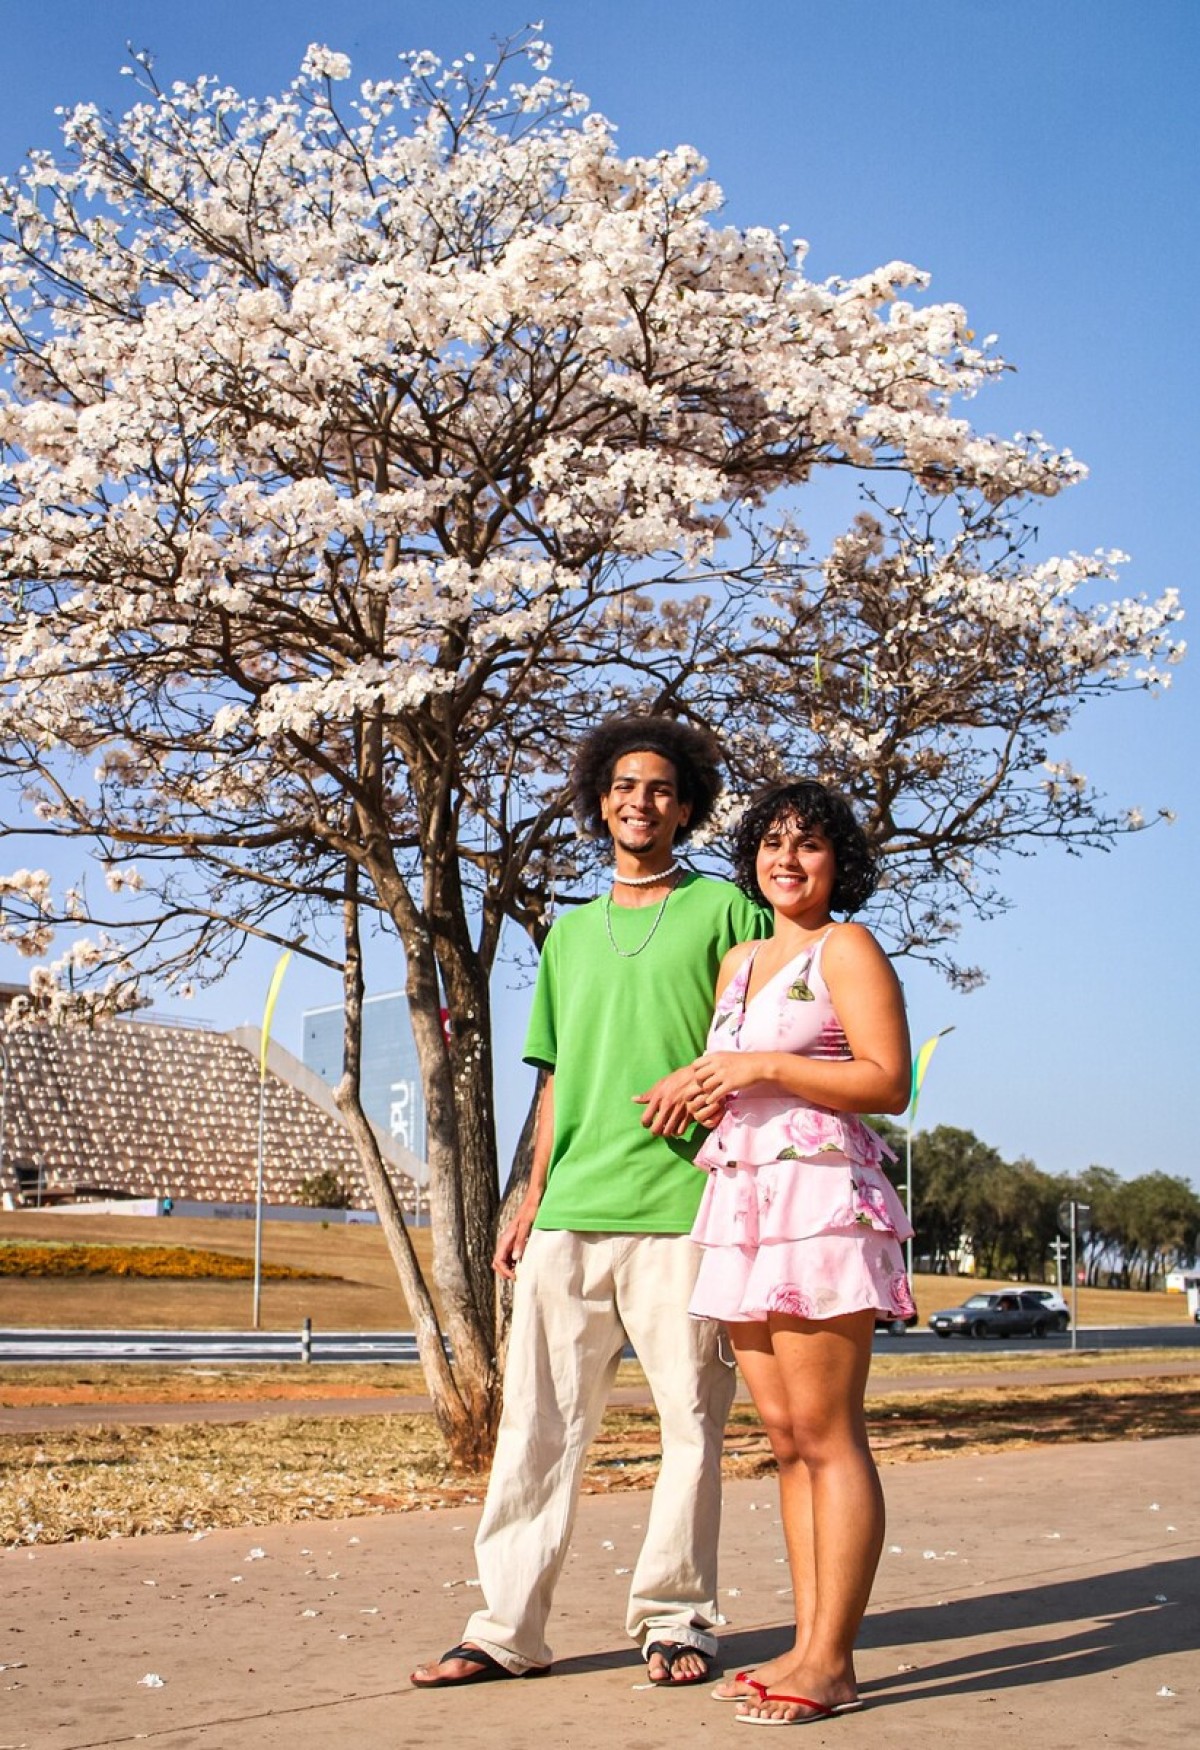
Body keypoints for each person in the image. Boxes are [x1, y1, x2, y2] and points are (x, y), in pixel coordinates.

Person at [411, 715, 768, 1691]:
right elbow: (557, 1079)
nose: (638, 800)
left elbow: (779, 1020)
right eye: (622, 785)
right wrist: (528, 1193)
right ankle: (505, 1628)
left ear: (686, 804)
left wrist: (707, 1080)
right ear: (598, 800)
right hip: (573, 1210)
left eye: (659, 787)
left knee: (692, 1425)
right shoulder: (567, 934)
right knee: (535, 1428)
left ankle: (675, 1616)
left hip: (686, 1208)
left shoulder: (729, 913)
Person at [680, 779, 914, 1726]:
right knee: (783, 1443)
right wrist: (711, 1090)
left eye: (809, 846)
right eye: (773, 843)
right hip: (744, 1202)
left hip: (820, 1203)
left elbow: (887, 1079)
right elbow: (737, 1074)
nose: (788, 859)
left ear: (837, 862)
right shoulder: (738, 960)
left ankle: (833, 1659)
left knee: (828, 1434)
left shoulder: (846, 947)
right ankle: (810, 1637)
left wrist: (766, 1067)